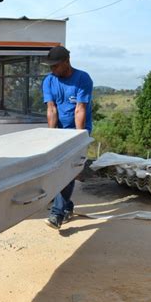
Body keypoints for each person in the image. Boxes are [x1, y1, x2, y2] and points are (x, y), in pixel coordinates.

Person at [42, 45, 93, 229]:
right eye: (50, 66)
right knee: (58, 171)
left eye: (56, 66)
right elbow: (51, 109)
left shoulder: (82, 79)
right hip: (59, 131)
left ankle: (57, 214)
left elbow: (80, 109)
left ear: (66, 62)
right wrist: (51, 136)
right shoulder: (49, 80)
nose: (52, 69)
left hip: (78, 130)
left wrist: (79, 142)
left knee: (68, 171)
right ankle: (67, 206)